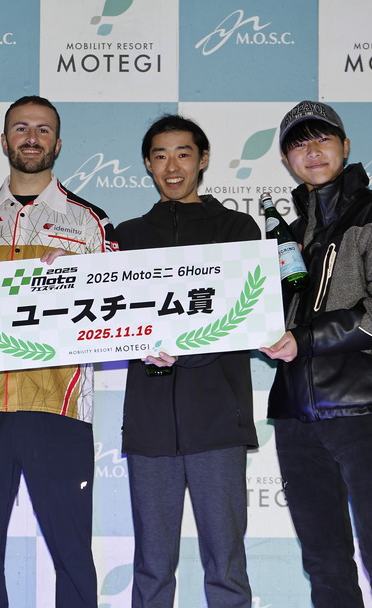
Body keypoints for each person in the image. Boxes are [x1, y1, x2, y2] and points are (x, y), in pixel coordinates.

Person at [0, 96, 117, 608]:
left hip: (59, 407)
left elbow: (117, 309)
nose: (32, 138)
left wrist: (82, 274)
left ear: (58, 144)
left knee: (73, 556)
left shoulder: (90, 222)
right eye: (21, 128)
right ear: (4, 140)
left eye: (43, 129)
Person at [259, 101, 372, 607]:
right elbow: (265, 314)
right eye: (298, 144)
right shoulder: (290, 236)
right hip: (297, 415)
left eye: (322, 138)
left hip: (366, 409)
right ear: (286, 159)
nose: (311, 151)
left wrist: (305, 339)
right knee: (324, 564)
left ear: (345, 146)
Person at [114, 114, 259, 608]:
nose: (172, 167)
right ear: (147, 165)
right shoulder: (125, 237)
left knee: (226, 565)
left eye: (183, 154)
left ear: (203, 160)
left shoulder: (237, 229)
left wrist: (190, 348)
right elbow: (97, 318)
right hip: (150, 422)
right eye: (160, 156)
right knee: (152, 567)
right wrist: (63, 271)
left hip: (217, 417)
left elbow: (248, 314)